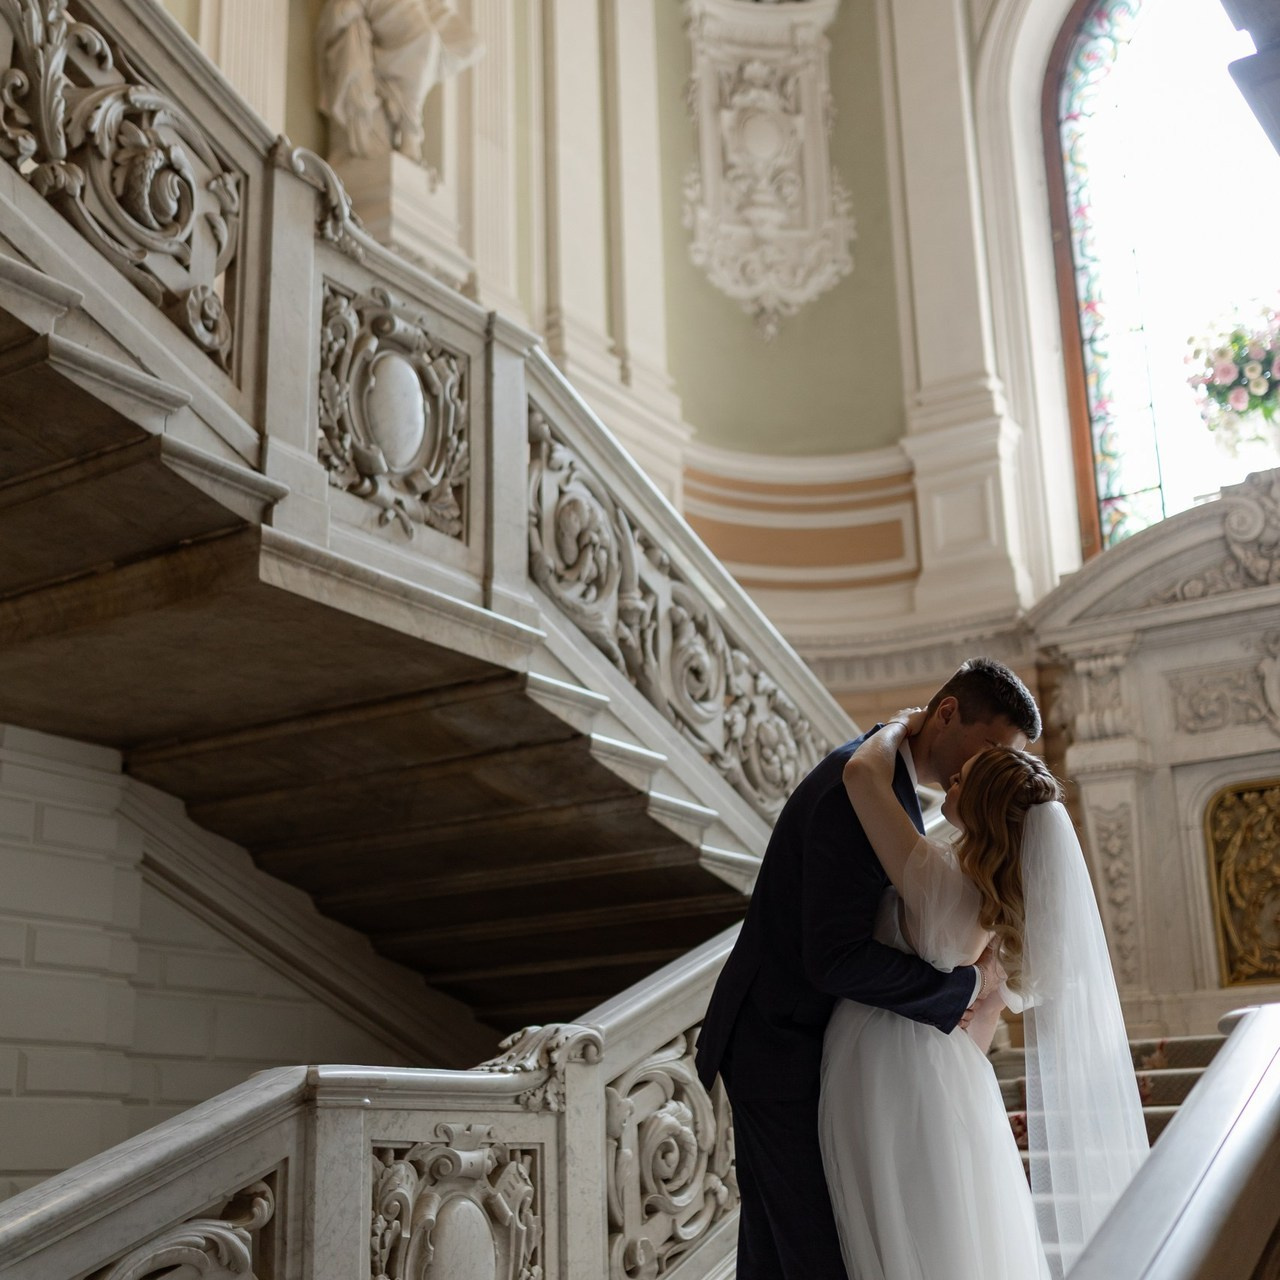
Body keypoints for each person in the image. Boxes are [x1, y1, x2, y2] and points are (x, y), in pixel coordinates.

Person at [695, 657, 1041, 1280]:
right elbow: (833, 956)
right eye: (989, 745)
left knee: (788, 1250)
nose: (984, 766)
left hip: (825, 1047)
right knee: (808, 1247)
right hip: (778, 1039)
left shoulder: (895, 793)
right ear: (946, 712)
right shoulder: (856, 784)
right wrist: (960, 988)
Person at [823, 713, 1148, 1280]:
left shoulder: (938, 877)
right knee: (939, 1233)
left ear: (983, 805)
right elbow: (978, 1022)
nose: (948, 782)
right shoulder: (993, 904)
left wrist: (897, 726)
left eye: (961, 779)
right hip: (945, 1070)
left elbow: (858, 776)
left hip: (885, 1063)